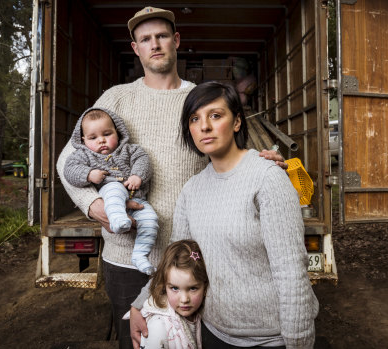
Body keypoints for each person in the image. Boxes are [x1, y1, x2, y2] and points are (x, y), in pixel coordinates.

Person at [55, 6, 286, 348]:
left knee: (191, 342)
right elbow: (66, 160)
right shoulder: (115, 99)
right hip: (127, 257)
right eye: (145, 39)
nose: (155, 44)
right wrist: (94, 205)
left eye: (162, 36)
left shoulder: (198, 100)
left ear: (176, 40)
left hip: (192, 258)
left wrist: (263, 162)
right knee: (138, 341)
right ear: (135, 48)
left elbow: (231, 156)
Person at [130, 82, 319, 349]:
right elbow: (175, 260)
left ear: (237, 122)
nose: (204, 126)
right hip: (213, 333)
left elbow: (291, 270)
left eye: (215, 115)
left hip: (269, 338)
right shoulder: (192, 189)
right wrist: (140, 304)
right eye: (195, 119)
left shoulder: (266, 177)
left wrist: (298, 342)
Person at [63, 108, 158, 275]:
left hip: (138, 200)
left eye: (107, 134)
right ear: (83, 140)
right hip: (109, 196)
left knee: (151, 220)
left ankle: (140, 255)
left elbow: (143, 160)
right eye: (93, 138)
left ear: (118, 133)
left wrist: (137, 176)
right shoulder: (83, 155)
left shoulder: (130, 150)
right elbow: (70, 170)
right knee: (115, 187)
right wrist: (89, 174)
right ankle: (117, 219)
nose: (101, 141)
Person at [124, 240, 208, 349]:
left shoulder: (197, 316)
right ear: (164, 285)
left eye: (192, 288)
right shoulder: (158, 328)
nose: (184, 299)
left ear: (205, 287)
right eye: (174, 288)